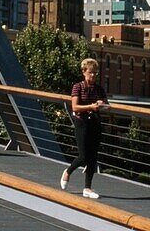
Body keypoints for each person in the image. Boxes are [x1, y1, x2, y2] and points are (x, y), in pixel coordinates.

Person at [60, 57, 107, 199]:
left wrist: (102, 104)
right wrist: (91, 107)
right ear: (84, 72)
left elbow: (107, 106)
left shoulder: (99, 89)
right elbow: (74, 106)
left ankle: (87, 188)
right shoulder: (78, 87)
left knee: (93, 156)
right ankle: (67, 171)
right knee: (83, 156)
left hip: (95, 123)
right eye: (90, 72)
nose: (93, 75)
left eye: (95, 73)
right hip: (81, 122)